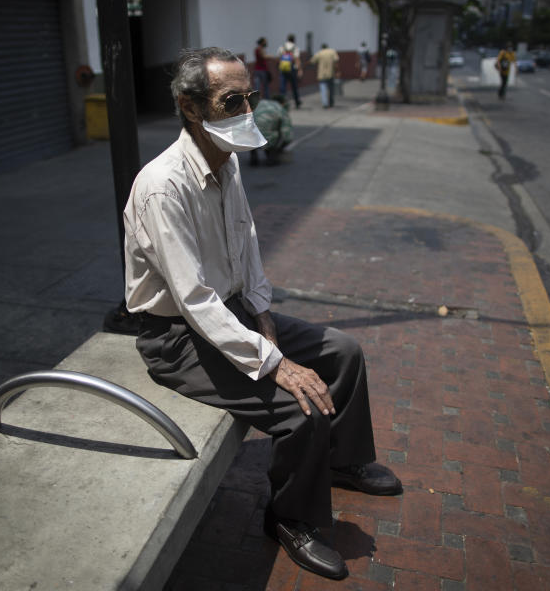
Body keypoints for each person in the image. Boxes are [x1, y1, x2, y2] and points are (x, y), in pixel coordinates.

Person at [123, 47, 400, 581]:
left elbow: (246, 243)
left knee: (343, 351)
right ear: (190, 106)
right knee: (302, 408)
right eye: (231, 101)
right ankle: (290, 518)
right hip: (178, 336)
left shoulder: (226, 163)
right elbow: (193, 298)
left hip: (231, 315)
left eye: (249, 97)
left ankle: (342, 461)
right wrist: (275, 362)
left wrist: (263, 312)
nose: (246, 110)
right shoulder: (163, 186)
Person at [250, 94, 293, 166]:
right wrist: (280, 148)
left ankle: (254, 156)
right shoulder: (281, 109)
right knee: (276, 133)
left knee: (253, 131)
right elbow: (287, 134)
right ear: (282, 103)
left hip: (251, 136)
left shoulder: (260, 103)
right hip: (269, 137)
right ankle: (271, 156)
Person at [310, 43, 340, 108]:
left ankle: (325, 103)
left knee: (323, 89)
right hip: (330, 73)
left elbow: (312, 61)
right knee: (331, 89)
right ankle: (331, 101)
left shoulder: (319, 53)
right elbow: (336, 62)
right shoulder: (332, 52)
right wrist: (337, 72)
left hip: (321, 74)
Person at [276, 34, 302, 108]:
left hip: (283, 68)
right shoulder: (295, 47)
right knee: (294, 86)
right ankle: (297, 102)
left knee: (282, 87)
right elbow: (297, 59)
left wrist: (279, 67)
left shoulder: (282, 47)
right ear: (293, 39)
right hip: (292, 69)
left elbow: (279, 58)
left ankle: (282, 103)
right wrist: (300, 69)